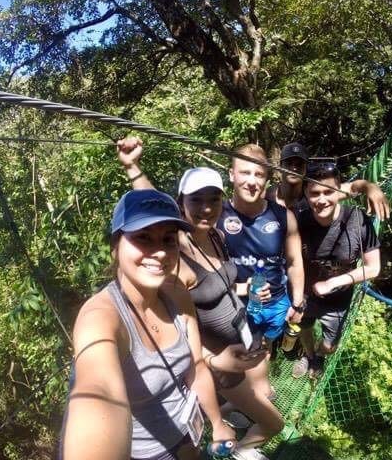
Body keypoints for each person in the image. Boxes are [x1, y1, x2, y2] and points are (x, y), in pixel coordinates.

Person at [117, 139, 283, 460]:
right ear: (181, 204)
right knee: (274, 423)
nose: (206, 208)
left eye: (213, 199)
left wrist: (247, 292)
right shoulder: (178, 252)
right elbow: (175, 332)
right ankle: (241, 453)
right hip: (219, 362)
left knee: (267, 392)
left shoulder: (218, 237)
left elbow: (220, 288)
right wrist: (133, 167)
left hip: (243, 340)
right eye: (196, 201)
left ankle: (234, 411)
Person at [61, 189, 235, 460]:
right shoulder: (100, 318)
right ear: (115, 246)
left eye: (168, 239)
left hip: (189, 435)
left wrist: (218, 423)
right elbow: (99, 394)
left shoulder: (177, 294)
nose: (160, 253)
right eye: (143, 238)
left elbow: (196, 367)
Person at [292, 162, 381, 379]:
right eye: (314, 193)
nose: (321, 200)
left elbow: (373, 268)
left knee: (331, 344)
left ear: (339, 190)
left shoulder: (358, 221)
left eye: (329, 192)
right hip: (305, 293)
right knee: (305, 326)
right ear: (306, 193)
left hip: (338, 298)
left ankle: (321, 355)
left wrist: (334, 282)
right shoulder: (298, 217)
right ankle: (309, 355)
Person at [219, 143, 306, 345]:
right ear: (231, 174)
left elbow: (294, 262)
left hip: (276, 302)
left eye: (259, 174)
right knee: (241, 359)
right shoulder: (216, 216)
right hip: (234, 303)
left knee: (266, 346)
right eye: (245, 173)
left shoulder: (283, 216)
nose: (252, 181)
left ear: (267, 179)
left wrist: (298, 303)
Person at [265, 142, 391, 220]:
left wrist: (371, 188)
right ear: (280, 166)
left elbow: (352, 187)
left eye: (299, 164)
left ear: (306, 167)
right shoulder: (267, 195)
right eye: (289, 163)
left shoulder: (314, 192)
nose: (293, 168)